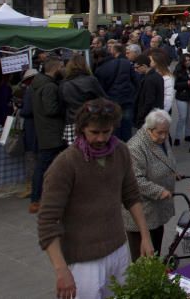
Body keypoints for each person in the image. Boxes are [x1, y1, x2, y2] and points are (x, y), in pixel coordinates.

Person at [38, 99, 152, 299]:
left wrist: (145, 236)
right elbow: (47, 222)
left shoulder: (121, 151)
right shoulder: (65, 164)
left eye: (106, 131)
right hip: (84, 261)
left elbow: (131, 195)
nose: (101, 138)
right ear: (81, 129)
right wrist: (61, 270)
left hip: (118, 250)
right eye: (94, 132)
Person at [124, 109, 178, 260]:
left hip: (157, 210)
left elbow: (165, 159)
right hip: (143, 211)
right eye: (160, 132)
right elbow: (136, 180)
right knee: (142, 258)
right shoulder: (135, 147)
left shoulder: (161, 137)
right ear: (148, 128)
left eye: (166, 132)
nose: (164, 136)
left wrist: (172, 172)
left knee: (155, 249)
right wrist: (159, 191)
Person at [29, 57, 66, 214]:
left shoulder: (38, 83)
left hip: (45, 131)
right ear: (56, 68)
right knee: (45, 165)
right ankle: (36, 199)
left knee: (45, 165)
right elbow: (51, 109)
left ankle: (39, 197)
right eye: (62, 66)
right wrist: (64, 109)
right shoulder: (49, 86)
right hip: (52, 132)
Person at [93, 44, 137, 141]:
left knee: (114, 127)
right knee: (126, 127)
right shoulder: (126, 63)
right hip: (127, 100)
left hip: (111, 102)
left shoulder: (100, 69)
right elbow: (135, 81)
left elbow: (100, 89)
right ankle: (126, 149)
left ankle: (116, 150)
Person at [131, 54, 164, 130]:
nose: (135, 70)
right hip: (155, 115)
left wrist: (140, 116)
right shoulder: (157, 76)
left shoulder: (149, 80)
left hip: (148, 118)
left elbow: (149, 101)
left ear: (144, 66)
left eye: (137, 67)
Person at [171, 53, 190, 147]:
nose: (188, 62)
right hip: (181, 96)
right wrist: (187, 83)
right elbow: (175, 86)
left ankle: (187, 135)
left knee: (189, 117)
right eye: (186, 60)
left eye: (189, 60)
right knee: (182, 117)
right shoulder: (178, 70)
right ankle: (177, 137)